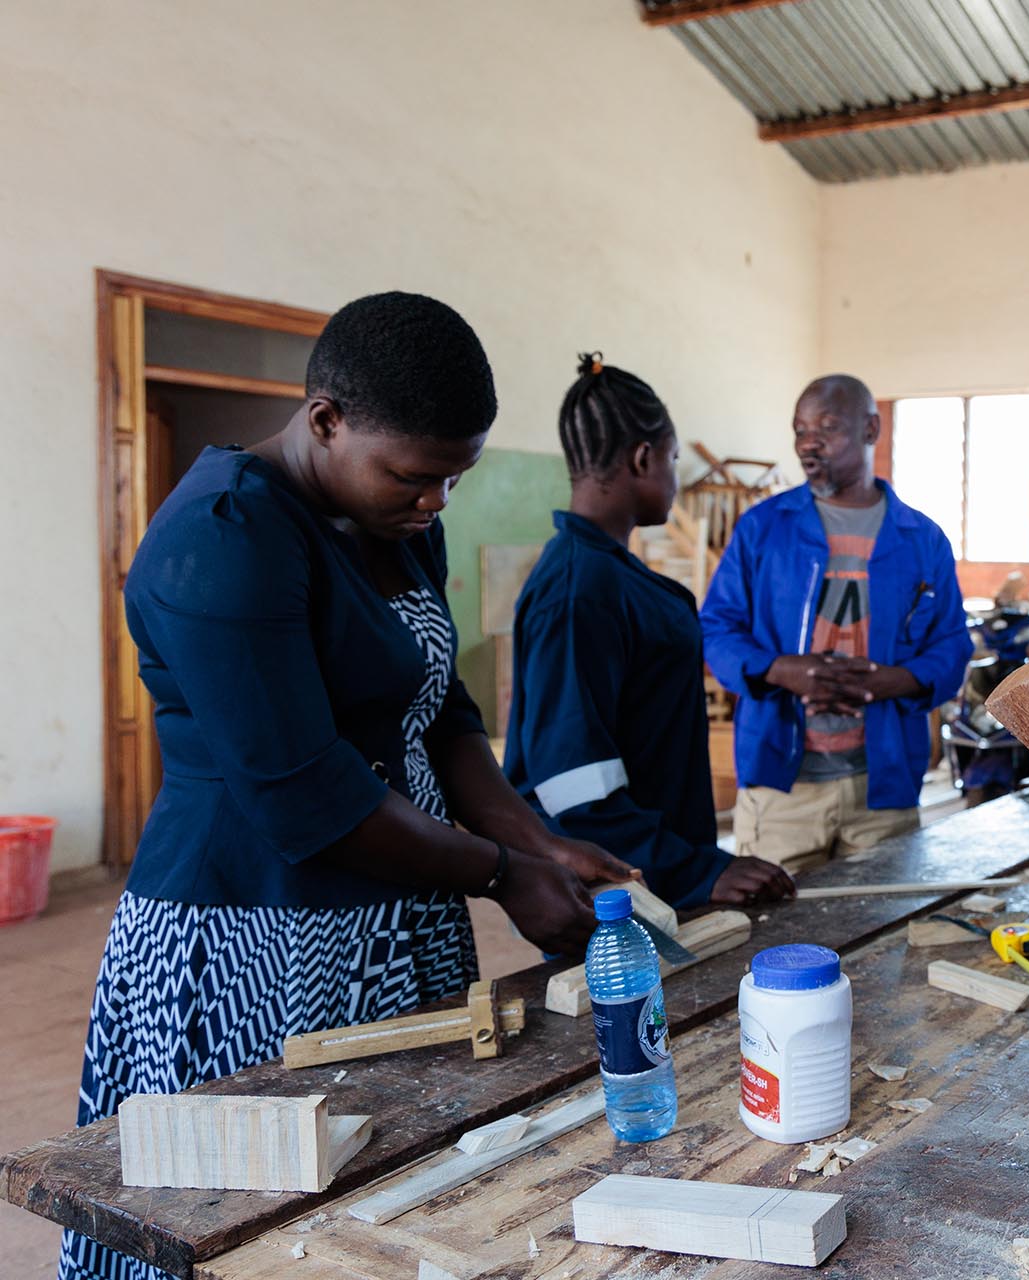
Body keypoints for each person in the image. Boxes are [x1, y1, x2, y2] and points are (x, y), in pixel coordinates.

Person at [65, 295, 631, 1280]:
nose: (436, 501)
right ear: (326, 420)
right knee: (256, 1217)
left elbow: (442, 711)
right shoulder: (224, 536)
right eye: (415, 475)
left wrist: (534, 839)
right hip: (257, 931)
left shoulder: (396, 522)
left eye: (455, 477)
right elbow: (304, 793)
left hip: (403, 906)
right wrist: (501, 874)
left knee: (396, 1196)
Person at [504, 355, 794, 909]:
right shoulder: (579, 589)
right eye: (674, 459)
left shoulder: (610, 574)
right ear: (643, 458)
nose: (676, 477)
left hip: (656, 872)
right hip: (618, 896)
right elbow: (573, 786)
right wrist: (693, 871)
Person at [699, 375, 971, 872]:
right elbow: (716, 628)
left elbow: (952, 644)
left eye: (827, 427)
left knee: (883, 918)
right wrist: (781, 670)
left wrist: (894, 681)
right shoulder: (763, 528)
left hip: (883, 789)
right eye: (800, 430)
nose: (809, 442)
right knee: (776, 919)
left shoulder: (922, 539)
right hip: (783, 790)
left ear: (871, 429)